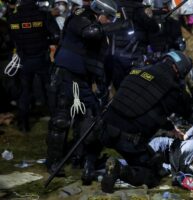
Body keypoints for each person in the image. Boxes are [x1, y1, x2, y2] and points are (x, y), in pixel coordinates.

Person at [46, 0, 125, 182]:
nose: (110, 21)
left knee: (87, 118)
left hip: (83, 78)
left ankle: (79, 158)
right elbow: (90, 33)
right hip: (66, 74)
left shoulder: (100, 30)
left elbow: (97, 60)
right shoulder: (81, 17)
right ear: (99, 12)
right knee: (61, 120)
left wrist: (102, 85)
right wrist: (112, 26)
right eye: (109, 17)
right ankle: (54, 161)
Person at [94, 51, 193, 192]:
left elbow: (146, 106)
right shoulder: (174, 90)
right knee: (152, 176)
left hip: (104, 129)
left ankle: (89, 164)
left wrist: (170, 127)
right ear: (180, 70)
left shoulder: (138, 71)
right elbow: (189, 113)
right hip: (128, 141)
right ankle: (119, 170)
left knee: (155, 160)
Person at [7, 0, 54, 132]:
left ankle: (24, 124)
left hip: (24, 59)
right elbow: (55, 35)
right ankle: (55, 119)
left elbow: (11, 40)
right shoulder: (43, 15)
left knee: (25, 91)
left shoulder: (13, 17)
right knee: (49, 88)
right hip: (41, 58)